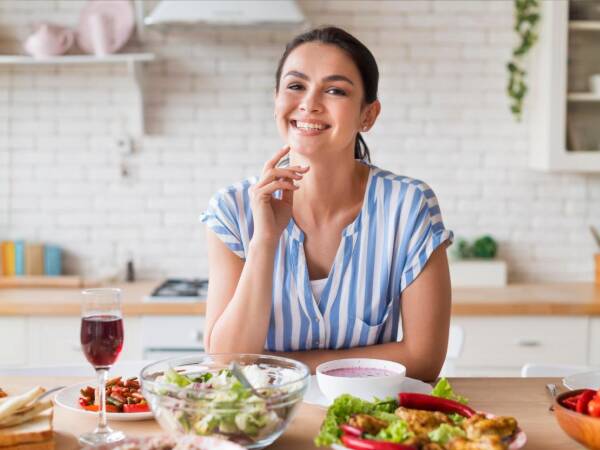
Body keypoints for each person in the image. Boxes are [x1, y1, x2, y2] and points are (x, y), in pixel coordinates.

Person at [200, 26, 453, 381]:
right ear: (276, 100)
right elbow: (226, 362)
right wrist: (265, 242)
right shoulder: (232, 210)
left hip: (368, 422)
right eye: (295, 86)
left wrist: (279, 366)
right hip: (264, 424)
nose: (309, 103)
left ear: (368, 115)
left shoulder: (409, 206)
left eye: (335, 90)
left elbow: (424, 359)